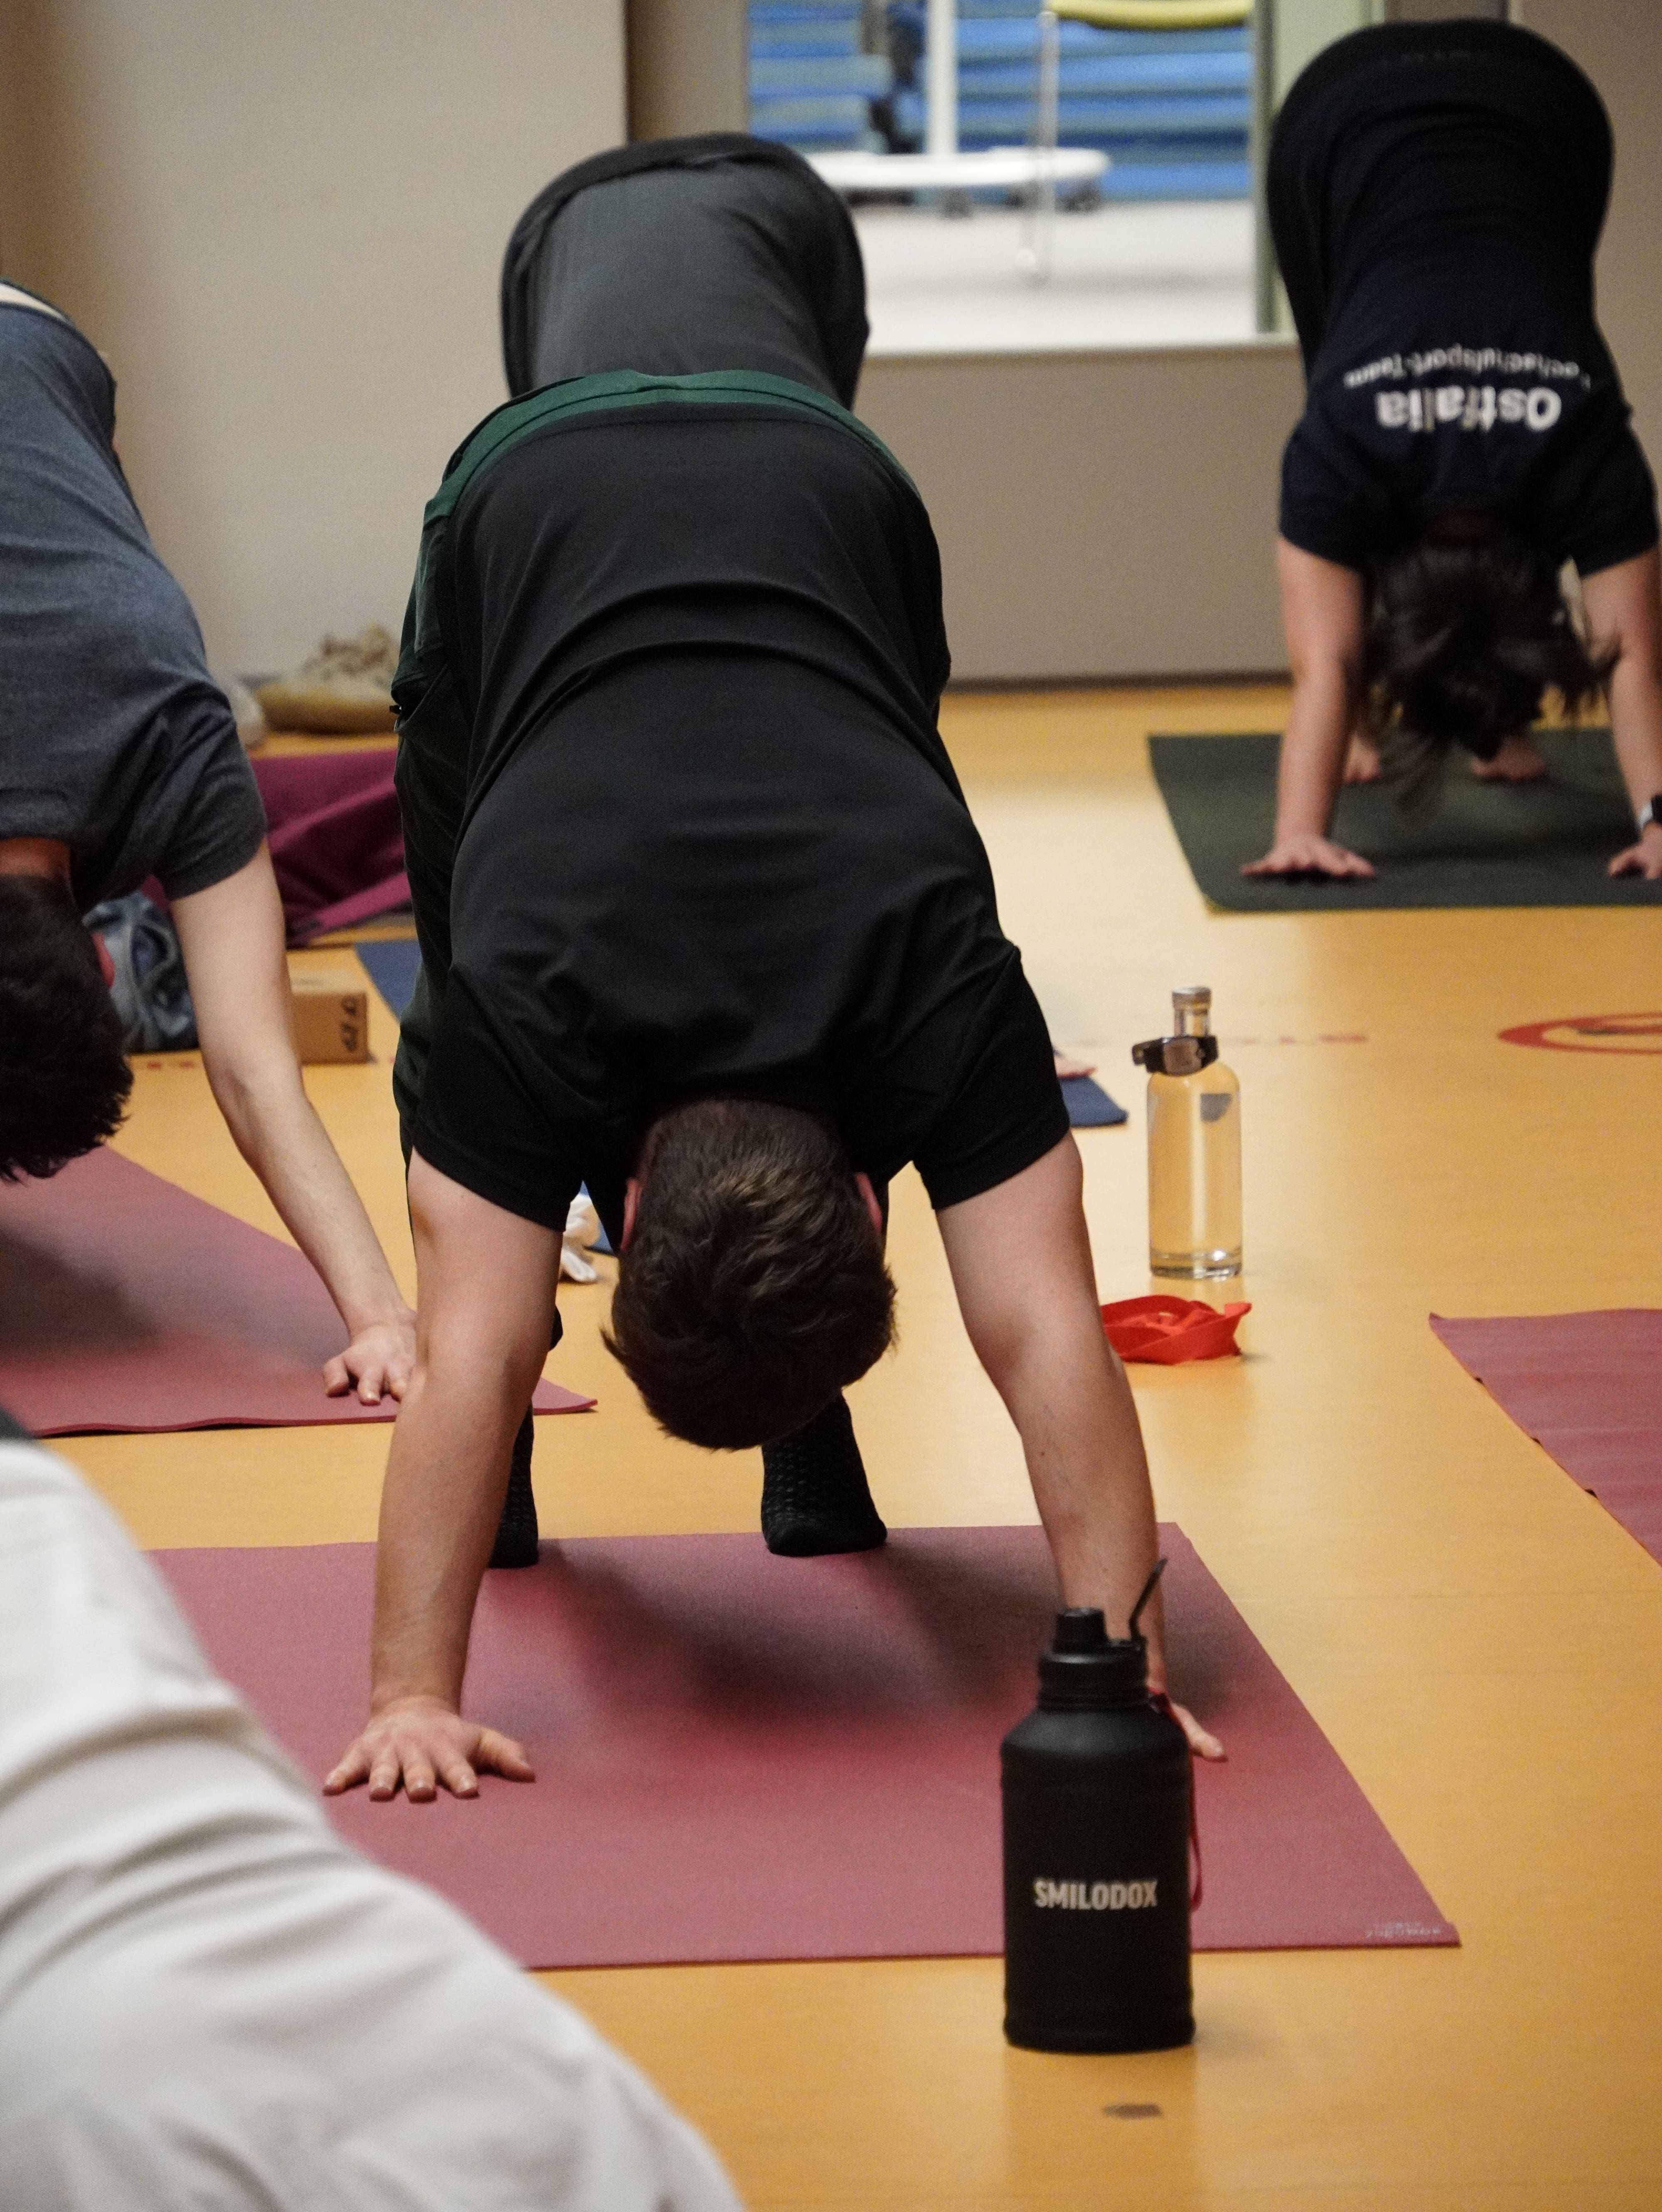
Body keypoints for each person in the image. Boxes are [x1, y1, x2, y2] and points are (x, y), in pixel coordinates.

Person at [326, 135, 1219, 1803]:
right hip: (669, 486)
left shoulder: (912, 979)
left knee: (465, 1114)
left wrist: (411, 1702)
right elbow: (1043, 1333)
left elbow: (471, 1352)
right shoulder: (908, 987)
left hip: (743, 479)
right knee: (456, 1013)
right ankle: (671, 1436)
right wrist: (1124, 1681)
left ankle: (733, 1413)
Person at [0, 1407, 740, 2211]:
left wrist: (415, 1700)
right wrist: (413, 1697)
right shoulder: (594, 2128)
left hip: (109, 2064)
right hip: (424, 2032)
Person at [0, 282, 413, 1397]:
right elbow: (254, 1066)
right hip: (34, 340)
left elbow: (248, 1067)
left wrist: (386, 1315)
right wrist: (378, 1319)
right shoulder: (176, 740)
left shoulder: (174, 732)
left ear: (104, 962)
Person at [1246, 20, 1662, 884]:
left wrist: (1301, 832)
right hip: (1404, 110)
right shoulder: (1350, 454)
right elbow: (1631, 657)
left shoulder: (1572, 446)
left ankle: (1464, 726)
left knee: (1341, 366)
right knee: (1339, 364)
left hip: (1520, 97)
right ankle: (1473, 728)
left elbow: (1327, 661)